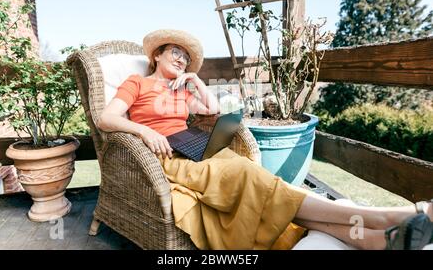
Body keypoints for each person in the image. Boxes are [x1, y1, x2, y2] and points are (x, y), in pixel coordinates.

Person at [98, 29, 433, 250]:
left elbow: (215, 112)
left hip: (197, 148)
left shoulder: (183, 89)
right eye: (174, 52)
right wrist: (145, 130)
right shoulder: (137, 83)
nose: (181, 59)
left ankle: (381, 242)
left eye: (185, 57)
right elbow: (107, 118)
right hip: (166, 155)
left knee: (258, 180)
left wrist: (196, 82)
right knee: (250, 176)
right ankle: (384, 218)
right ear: (156, 55)